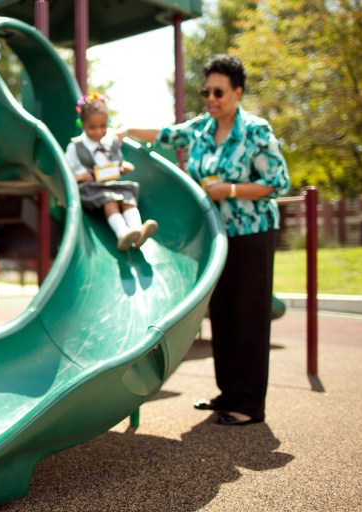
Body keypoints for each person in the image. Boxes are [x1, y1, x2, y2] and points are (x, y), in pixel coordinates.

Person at [119, 54, 290, 426]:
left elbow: (277, 183)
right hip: (217, 238)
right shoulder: (200, 129)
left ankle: (248, 404)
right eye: (206, 91)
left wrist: (227, 190)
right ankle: (227, 393)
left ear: (237, 92)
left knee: (249, 316)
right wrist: (125, 131)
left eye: (219, 92)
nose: (210, 98)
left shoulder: (256, 131)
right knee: (223, 314)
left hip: (251, 234)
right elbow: (165, 134)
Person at [65, 92, 158, 251]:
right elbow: (65, 172)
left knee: (127, 197)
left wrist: (123, 167)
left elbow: (117, 163)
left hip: (111, 184)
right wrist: (79, 176)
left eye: (103, 126)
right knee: (110, 200)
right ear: (82, 125)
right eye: (92, 128)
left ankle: (138, 231)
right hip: (91, 189)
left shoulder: (110, 141)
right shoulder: (76, 147)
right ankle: (122, 234)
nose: (98, 132)